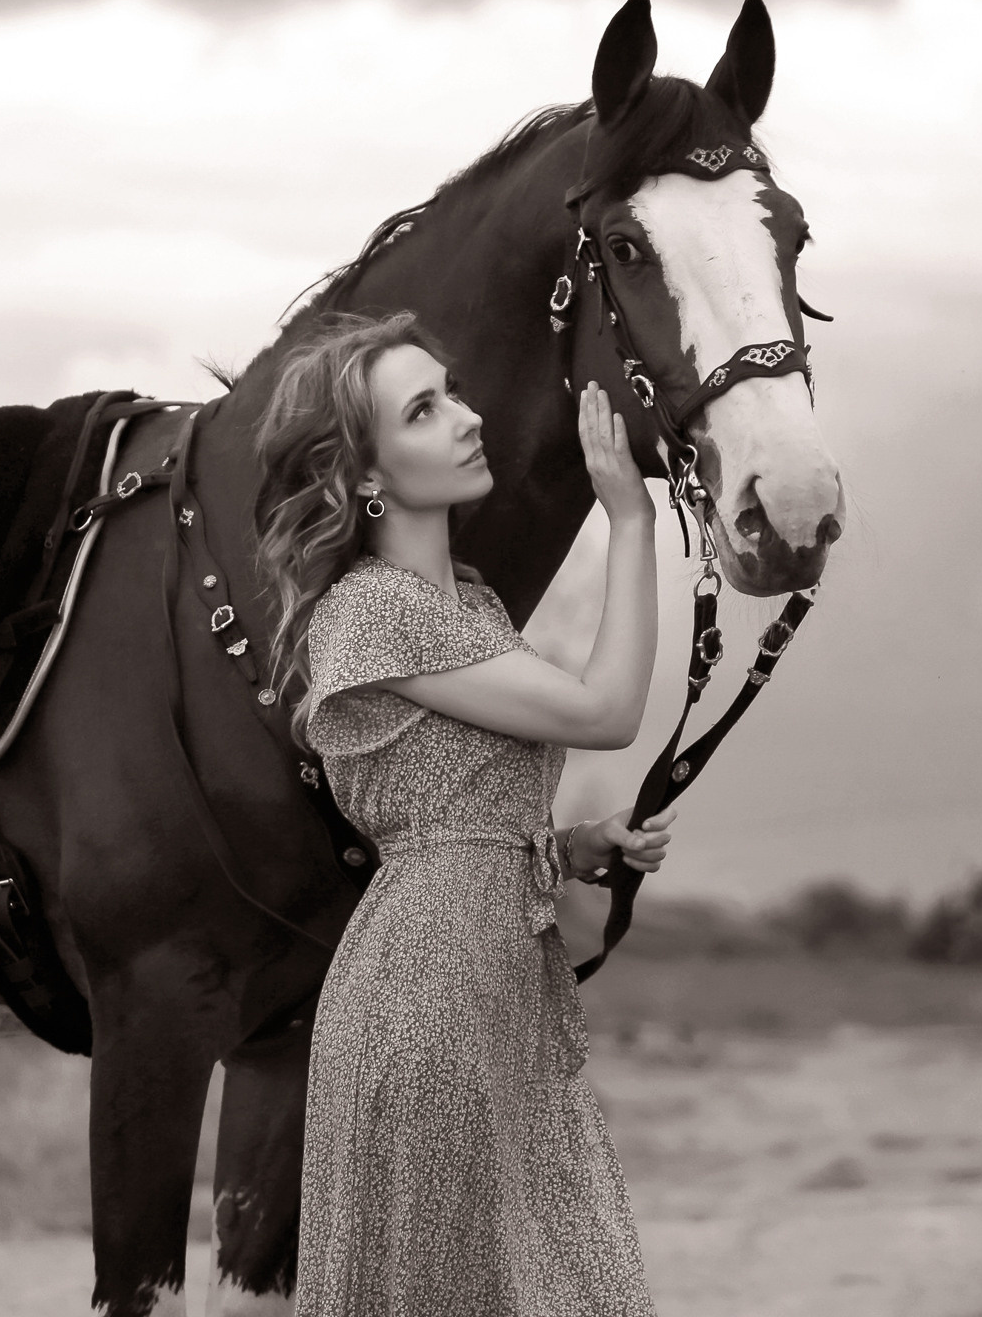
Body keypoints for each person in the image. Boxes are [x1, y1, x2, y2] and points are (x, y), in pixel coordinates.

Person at [252, 308, 673, 1316]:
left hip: (494, 989)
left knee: (538, 1282)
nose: (468, 417)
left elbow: (459, 806)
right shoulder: (375, 607)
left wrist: (574, 847)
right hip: (426, 999)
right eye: (425, 409)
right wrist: (630, 520)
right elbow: (608, 712)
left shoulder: (470, 612)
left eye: (454, 392)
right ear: (365, 475)